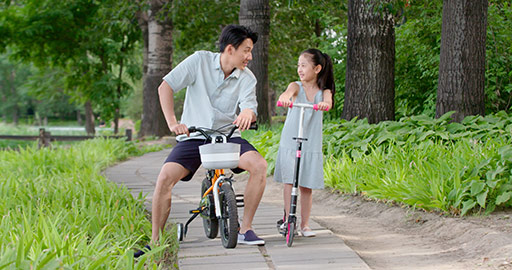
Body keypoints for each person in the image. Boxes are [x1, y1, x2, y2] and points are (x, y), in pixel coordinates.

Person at [135, 25, 267, 257]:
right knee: (164, 178)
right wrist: (173, 122)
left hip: (228, 136)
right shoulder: (199, 61)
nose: (250, 56)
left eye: (251, 51)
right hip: (194, 136)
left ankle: (245, 229)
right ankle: (155, 241)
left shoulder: (247, 78)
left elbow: (249, 107)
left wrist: (248, 113)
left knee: (259, 166)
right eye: (246, 51)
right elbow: (165, 86)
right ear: (230, 49)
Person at [274, 48, 335, 237]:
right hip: (291, 138)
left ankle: (305, 224)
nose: (299, 69)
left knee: (306, 185)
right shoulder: (296, 86)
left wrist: (325, 104)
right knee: (288, 180)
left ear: (317, 69)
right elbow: (288, 92)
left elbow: (328, 101)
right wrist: (284, 98)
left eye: (303, 65)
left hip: (310, 141)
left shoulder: (323, 91)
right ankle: (288, 219)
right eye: (298, 65)